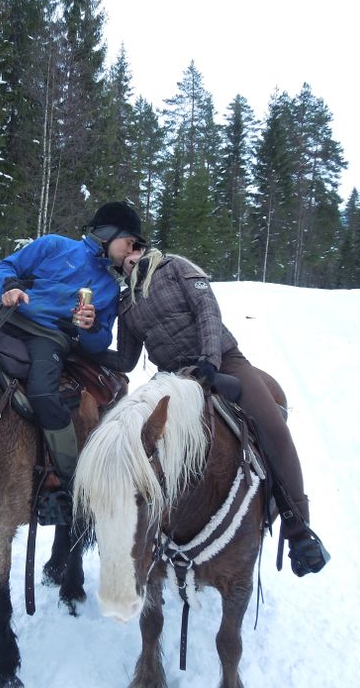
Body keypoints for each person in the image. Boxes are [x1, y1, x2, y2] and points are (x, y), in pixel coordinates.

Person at [103, 245, 330, 576]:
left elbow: (206, 310)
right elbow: (124, 360)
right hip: (173, 378)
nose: (128, 262)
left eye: (131, 253)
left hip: (224, 361)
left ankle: (299, 531)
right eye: (122, 261)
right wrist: (81, 347)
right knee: (140, 439)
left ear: (141, 247)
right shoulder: (126, 304)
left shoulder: (176, 267)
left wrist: (210, 360)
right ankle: (145, 533)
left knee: (274, 429)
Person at [0, 201, 147, 524]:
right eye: (129, 241)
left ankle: (70, 483)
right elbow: (6, 267)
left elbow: (101, 341)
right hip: (6, 319)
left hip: (48, 339)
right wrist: (9, 288)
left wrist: (88, 327)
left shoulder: (108, 287)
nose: (132, 250)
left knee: (46, 395)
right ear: (107, 234)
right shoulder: (53, 246)